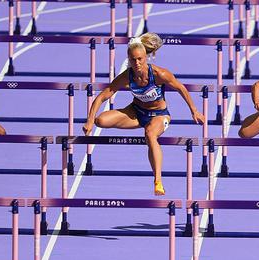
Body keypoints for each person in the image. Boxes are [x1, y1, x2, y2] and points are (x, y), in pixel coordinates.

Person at [84, 32, 204, 196]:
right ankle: (137, 123)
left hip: (159, 115)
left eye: (140, 59)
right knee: (101, 121)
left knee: (150, 134)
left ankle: (158, 180)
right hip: (136, 112)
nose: (137, 63)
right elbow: (103, 95)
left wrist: (194, 111)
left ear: (146, 57)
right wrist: (90, 121)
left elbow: (181, 88)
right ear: (129, 59)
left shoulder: (159, 74)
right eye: (133, 60)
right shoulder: (127, 76)